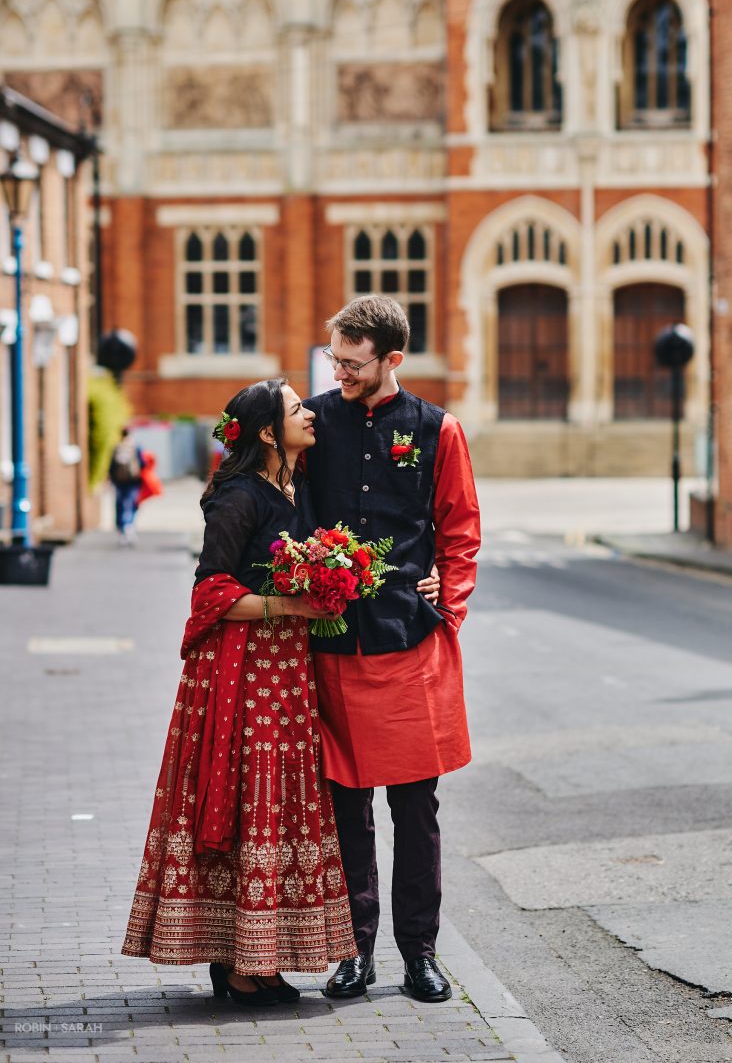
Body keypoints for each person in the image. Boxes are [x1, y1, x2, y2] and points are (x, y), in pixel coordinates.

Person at [121, 378, 440, 1007]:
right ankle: (236, 965)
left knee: (279, 808)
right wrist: (291, 602)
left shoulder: (290, 485)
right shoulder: (239, 496)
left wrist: (424, 573)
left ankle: (260, 957)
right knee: (249, 803)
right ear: (270, 432)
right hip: (240, 671)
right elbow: (208, 591)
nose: (311, 413)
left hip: (287, 668)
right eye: (297, 408)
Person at [304, 295, 480, 1004]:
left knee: (415, 810)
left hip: (411, 646)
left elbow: (461, 532)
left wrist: (447, 610)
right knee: (347, 811)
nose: (340, 373)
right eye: (335, 361)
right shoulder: (312, 424)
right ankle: (354, 952)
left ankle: (421, 954)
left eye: (353, 363)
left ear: (392, 360)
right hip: (335, 649)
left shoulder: (440, 430)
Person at [108, 426, 144, 545]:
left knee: (120, 504)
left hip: (119, 482)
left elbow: (112, 466)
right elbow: (142, 464)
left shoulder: (117, 447)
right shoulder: (136, 447)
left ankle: (121, 529)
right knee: (131, 503)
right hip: (133, 481)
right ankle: (129, 527)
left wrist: (111, 479)